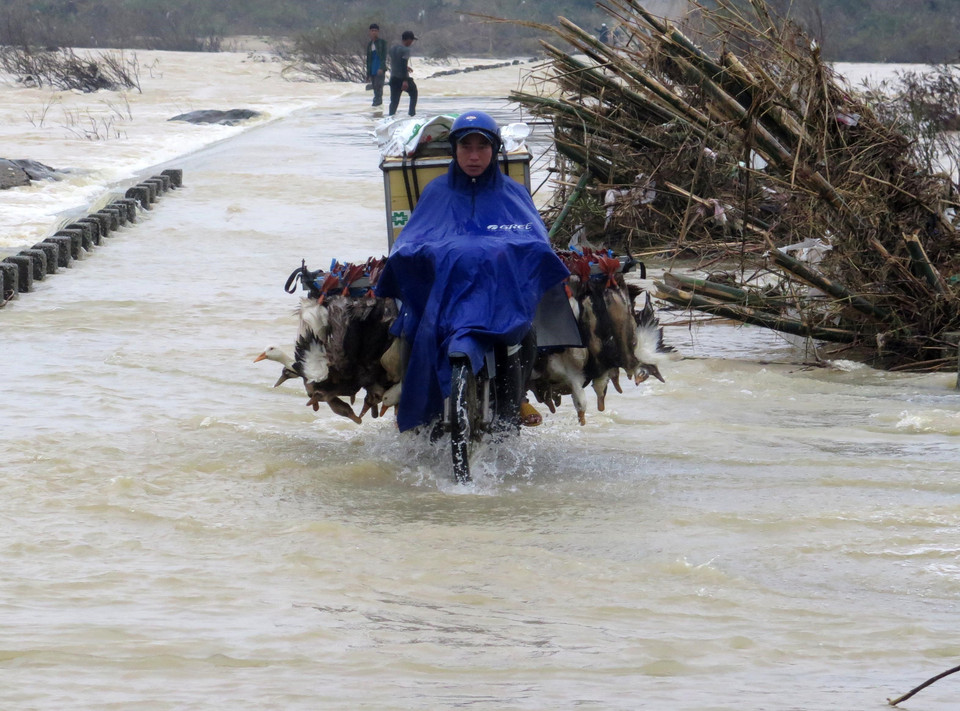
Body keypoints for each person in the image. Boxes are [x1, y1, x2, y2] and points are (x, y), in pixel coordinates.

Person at [376, 111, 574, 432]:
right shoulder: (436, 193)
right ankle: (412, 404)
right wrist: (411, 257)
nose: (473, 155)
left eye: (482, 147)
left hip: (499, 302)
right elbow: (411, 240)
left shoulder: (513, 193)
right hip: (445, 302)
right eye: (465, 147)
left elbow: (535, 239)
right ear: (454, 150)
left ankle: (517, 396)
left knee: (525, 333)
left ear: (494, 150)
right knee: (412, 329)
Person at [388, 30, 418, 117]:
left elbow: (396, 62)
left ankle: (390, 118)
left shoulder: (393, 49)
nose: (412, 42)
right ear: (408, 40)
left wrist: (406, 67)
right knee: (414, 92)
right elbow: (403, 63)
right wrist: (405, 80)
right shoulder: (406, 50)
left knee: (394, 101)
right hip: (402, 78)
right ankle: (411, 115)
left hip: (393, 78)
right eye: (411, 40)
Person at [365, 23, 387, 107]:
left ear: (378, 32)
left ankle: (377, 107)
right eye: (372, 31)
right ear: (369, 32)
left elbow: (384, 57)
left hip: (380, 70)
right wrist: (368, 73)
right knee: (375, 89)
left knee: (379, 89)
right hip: (373, 70)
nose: (374, 32)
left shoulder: (382, 43)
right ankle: (376, 108)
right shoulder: (369, 45)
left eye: (376, 31)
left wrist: (381, 67)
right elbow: (368, 60)